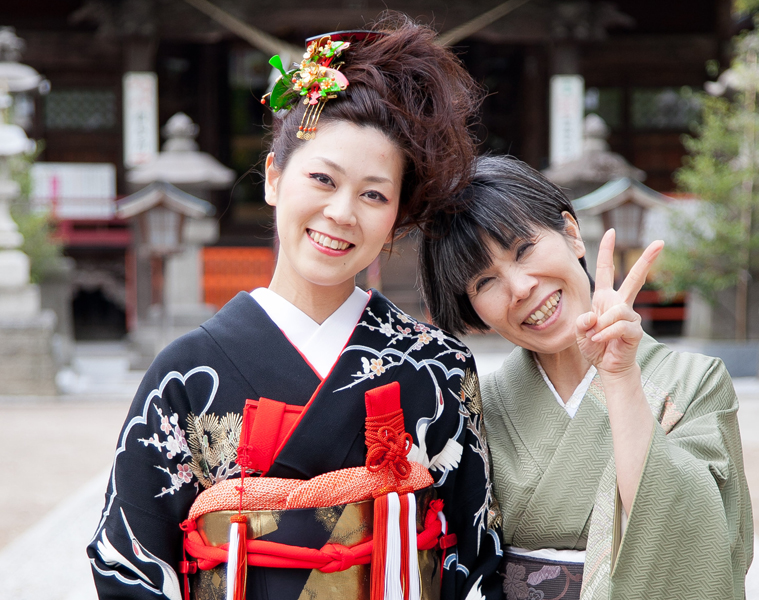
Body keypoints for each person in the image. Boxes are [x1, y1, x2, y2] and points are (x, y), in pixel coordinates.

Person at [88, 15, 502, 600]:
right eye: (322, 179)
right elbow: (127, 562)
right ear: (274, 179)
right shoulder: (184, 374)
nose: (341, 212)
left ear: (394, 222)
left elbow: (476, 559)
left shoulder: (436, 368)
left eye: (373, 194)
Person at [418, 155, 753, 600]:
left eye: (524, 249)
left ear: (572, 233)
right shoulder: (480, 405)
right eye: (484, 281)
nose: (520, 288)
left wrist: (620, 378)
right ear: (472, 309)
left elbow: (701, 540)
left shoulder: (696, 382)